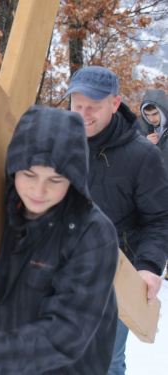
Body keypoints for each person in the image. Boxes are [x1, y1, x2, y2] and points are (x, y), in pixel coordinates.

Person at [0, 105, 119, 374]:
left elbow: (66, 334)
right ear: (15, 168)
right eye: (29, 175)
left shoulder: (93, 233)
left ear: (73, 180)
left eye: (56, 179)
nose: (39, 190)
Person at [66, 66, 168, 375]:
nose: (83, 114)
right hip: (58, 270)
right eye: (77, 105)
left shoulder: (142, 156)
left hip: (115, 275)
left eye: (93, 106)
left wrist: (149, 267)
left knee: (105, 361)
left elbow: (159, 220)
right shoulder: (54, 145)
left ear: (115, 103)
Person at [139, 89, 168, 280]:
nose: (152, 119)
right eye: (147, 115)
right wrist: (143, 143)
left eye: (155, 114)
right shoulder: (141, 130)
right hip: (151, 188)